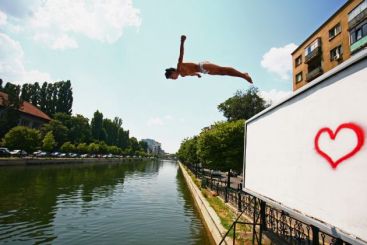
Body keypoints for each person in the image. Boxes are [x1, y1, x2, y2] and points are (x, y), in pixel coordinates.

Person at [165, 35, 252, 84]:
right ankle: (243, 75)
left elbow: (181, 54)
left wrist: (182, 42)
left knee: (222, 70)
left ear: (173, 72)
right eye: (171, 79)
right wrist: (197, 75)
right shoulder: (183, 75)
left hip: (202, 66)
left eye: (171, 77)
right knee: (223, 73)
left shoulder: (179, 66)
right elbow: (191, 74)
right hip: (203, 71)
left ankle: (244, 75)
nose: (173, 79)